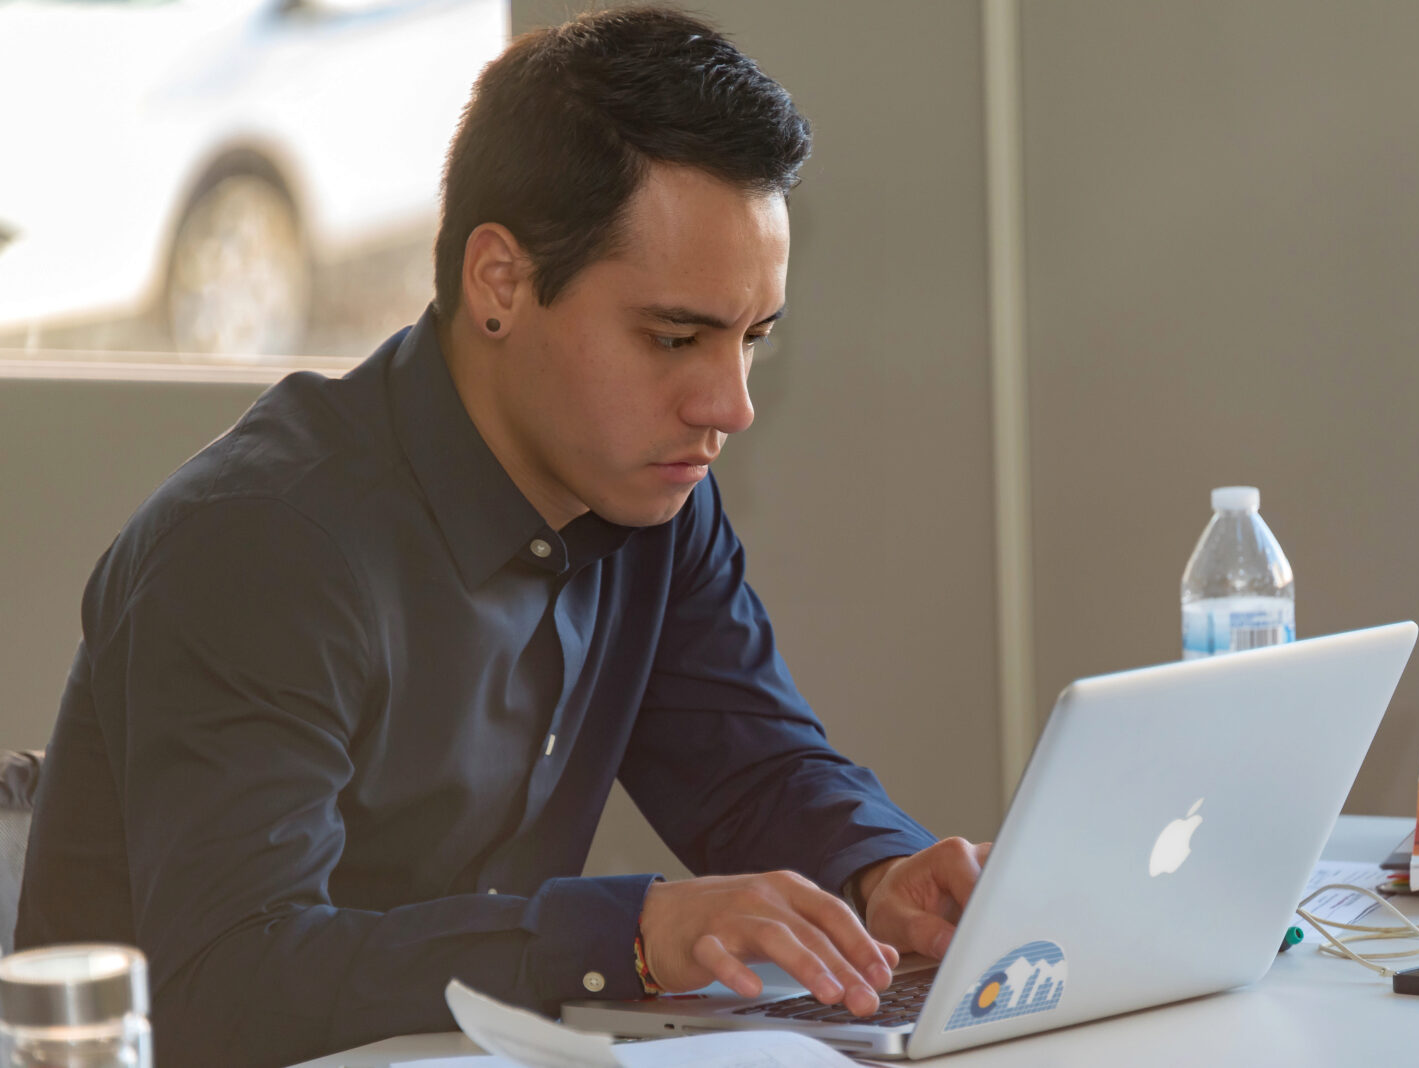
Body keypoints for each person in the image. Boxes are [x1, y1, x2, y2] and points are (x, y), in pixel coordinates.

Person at [15, 7, 990, 1067]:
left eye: (753, 338)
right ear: (499, 283)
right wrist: (628, 933)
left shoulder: (647, 489)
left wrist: (879, 874)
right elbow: (229, 983)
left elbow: (750, 768)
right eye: (675, 338)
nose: (728, 404)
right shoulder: (260, 548)